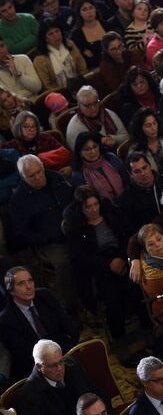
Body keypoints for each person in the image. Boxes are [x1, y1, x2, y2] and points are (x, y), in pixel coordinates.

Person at [62, 186, 133, 339]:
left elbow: (126, 236)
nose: (94, 210)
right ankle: (119, 337)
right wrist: (108, 264)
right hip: (98, 267)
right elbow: (80, 257)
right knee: (112, 297)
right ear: (81, 208)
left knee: (136, 285)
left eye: (96, 205)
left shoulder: (111, 214)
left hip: (121, 257)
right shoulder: (76, 227)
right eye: (88, 207)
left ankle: (146, 327)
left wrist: (121, 258)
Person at [8, 156, 77, 311]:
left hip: (74, 231)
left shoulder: (56, 178)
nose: (38, 177)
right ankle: (68, 307)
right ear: (23, 177)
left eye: (39, 172)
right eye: (32, 176)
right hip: (50, 242)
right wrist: (48, 236)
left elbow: (73, 200)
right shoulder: (18, 200)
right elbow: (21, 234)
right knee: (63, 263)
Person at [16, 340, 110, 415]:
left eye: (61, 361)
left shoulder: (72, 365)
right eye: (53, 366)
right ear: (39, 367)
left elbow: (96, 394)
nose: (60, 368)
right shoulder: (28, 395)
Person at [0, 267, 78, 380]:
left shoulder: (45, 296)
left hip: (64, 354)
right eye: (21, 284)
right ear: (11, 291)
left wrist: (62, 355)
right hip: (38, 369)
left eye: (30, 281)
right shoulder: (6, 319)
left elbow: (71, 329)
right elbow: (24, 354)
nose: (29, 287)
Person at [2, 111, 71, 177]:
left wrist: (69, 167)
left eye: (33, 126)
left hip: (57, 172)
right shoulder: (13, 145)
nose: (31, 129)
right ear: (18, 128)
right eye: (26, 126)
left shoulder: (46, 138)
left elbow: (66, 154)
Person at [66, 86, 130, 154]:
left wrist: (114, 139)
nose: (93, 108)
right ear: (79, 105)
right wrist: (99, 144)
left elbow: (126, 137)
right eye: (88, 105)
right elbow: (79, 154)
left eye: (95, 103)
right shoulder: (74, 127)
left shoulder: (108, 113)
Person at [70, 132, 128, 205]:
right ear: (80, 153)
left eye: (95, 146)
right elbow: (86, 202)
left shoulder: (111, 158)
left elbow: (127, 181)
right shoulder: (78, 175)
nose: (93, 151)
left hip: (127, 202)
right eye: (87, 149)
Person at [118, 152, 163, 232]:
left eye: (144, 168)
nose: (143, 173)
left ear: (150, 166)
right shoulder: (126, 199)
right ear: (130, 174)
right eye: (137, 171)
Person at [33, 20, 88, 90]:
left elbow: (83, 68)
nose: (56, 36)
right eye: (51, 34)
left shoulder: (70, 44)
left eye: (57, 31)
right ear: (45, 38)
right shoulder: (40, 60)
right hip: (59, 93)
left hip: (81, 86)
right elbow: (47, 86)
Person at [129, 107, 163, 179]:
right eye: (148, 126)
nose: (153, 128)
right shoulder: (135, 151)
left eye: (154, 123)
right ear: (140, 129)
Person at [69, 0, 108, 70]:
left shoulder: (106, 25)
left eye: (91, 7)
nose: (89, 11)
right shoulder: (76, 35)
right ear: (79, 13)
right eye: (84, 9)